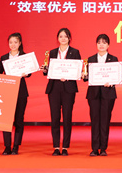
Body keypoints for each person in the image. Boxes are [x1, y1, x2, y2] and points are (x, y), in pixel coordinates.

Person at [42, 28, 82, 156]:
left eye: (65, 36)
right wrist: (45, 70)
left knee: (67, 117)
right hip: (54, 88)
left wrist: (69, 76)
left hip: (68, 88)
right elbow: (50, 71)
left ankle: (65, 147)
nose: (63, 39)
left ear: (69, 38)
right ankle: (55, 147)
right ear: (57, 38)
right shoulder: (53, 52)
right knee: (54, 118)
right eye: (61, 36)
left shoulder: (75, 52)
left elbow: (78, 71)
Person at [0, 32, 31, 155]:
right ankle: (7, 146)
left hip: (21, 91)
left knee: (19, 120)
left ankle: (16, 146)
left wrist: (26, 73)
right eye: (10, 42)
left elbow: (29, 73)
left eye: (15, 42)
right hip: (7, 91)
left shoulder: (25, 57)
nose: (13, 45)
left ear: (20, 43)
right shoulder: (4, 57)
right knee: (6, 120)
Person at [83, 34, 118, 156]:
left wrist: (112, 82)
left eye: (104, 42)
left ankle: (103, 148)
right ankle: (94, 148)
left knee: (105, 120)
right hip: (93, 94)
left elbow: (116, 77)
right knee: (95, 120)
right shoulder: (90, 59)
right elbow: (86, 78)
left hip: (108, 94)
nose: (101, 45)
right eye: (99, 42)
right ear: (96, 45)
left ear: (108, 45)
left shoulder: (113, 59)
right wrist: (84, 75)